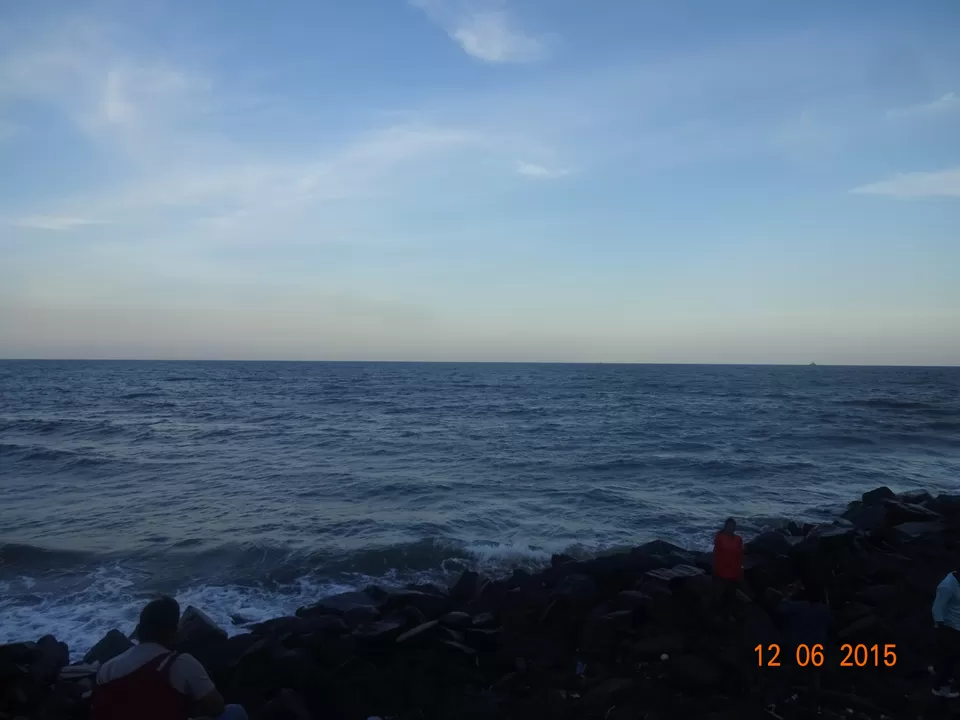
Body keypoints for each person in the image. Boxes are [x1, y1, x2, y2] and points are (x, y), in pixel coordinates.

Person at [91, 596, 247, 720]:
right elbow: (216, 708)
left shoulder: (107, 669)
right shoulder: (181, 663)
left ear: (138, 630)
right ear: (175, 634)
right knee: (235, 711)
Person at [932, 569, 960, 699]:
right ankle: (939, 688)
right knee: (949, 657)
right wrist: (940, 625)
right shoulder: (947, 586)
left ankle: (938, 670)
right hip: (950, 627)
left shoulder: (956, 582)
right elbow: (937, 607)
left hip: (956, 625)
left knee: (946, 655)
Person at [712, 517, 744, 618]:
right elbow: (716, 553)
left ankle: (728, 614)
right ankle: (717, 614)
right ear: (725, 526)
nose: (731, 528)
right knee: (719, 594)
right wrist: (714, 568)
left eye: (733, 526)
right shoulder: (719, 537)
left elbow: (740, 555)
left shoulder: (738, 539)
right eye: (729, 526)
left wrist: (740, 570)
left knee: (731, 595)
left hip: (734, 571)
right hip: (721, 570)